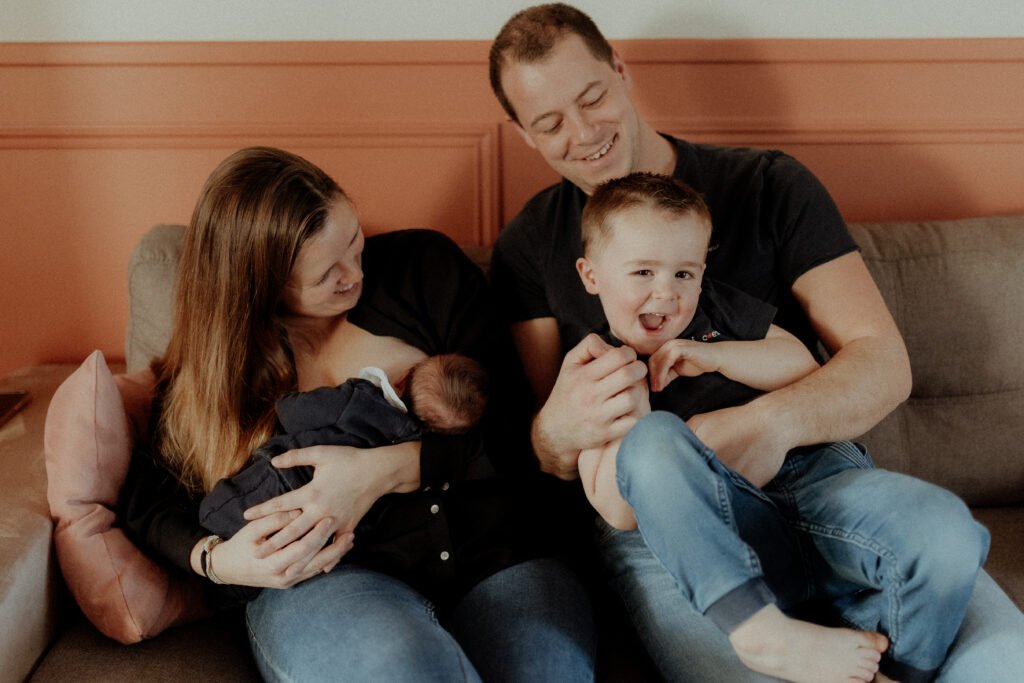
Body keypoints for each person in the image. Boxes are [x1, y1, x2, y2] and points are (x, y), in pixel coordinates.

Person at [487, 4, 1024, 682]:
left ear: (620, 72)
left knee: (1005, 659)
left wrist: (767, 423)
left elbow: (880, 361)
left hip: (818, 478)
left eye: (592, 97)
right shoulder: (532, 246)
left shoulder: (768, 186)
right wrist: (557, 433)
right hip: (669, 534)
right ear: (522, 133)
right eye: (549, 123)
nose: (583, 132)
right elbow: (550, 452)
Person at [120, 146, 595, 682]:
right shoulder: (220, 373)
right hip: (334, 580)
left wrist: (383, 471)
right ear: (263, 287)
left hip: (502, 555)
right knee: (403, 670)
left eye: (353, 241)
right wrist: (217, 560)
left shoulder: (424, 271)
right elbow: (145, 498)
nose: (353, 274)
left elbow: (524, 432)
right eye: (326, 274)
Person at [576, 172, 988, 683]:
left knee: (947, 529)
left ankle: (902, 672)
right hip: (728, 533)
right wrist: (634, 416)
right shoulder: (594, 367)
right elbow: (615, 509)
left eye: (684, 274)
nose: (666, 293)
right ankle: (761, 633)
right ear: (591, 275)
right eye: (642, 272)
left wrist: (715, 356)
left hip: (819, 484)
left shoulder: (720, 312)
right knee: (653, 441)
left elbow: (802, 366)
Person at [198, 354, 490, 540]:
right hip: (326, 520)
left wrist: (290, 399)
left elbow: (291, 413)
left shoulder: (359, 400)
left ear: (403, 379)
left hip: (286, 475)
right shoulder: (410, 447)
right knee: (274, 541)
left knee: (216, 512)